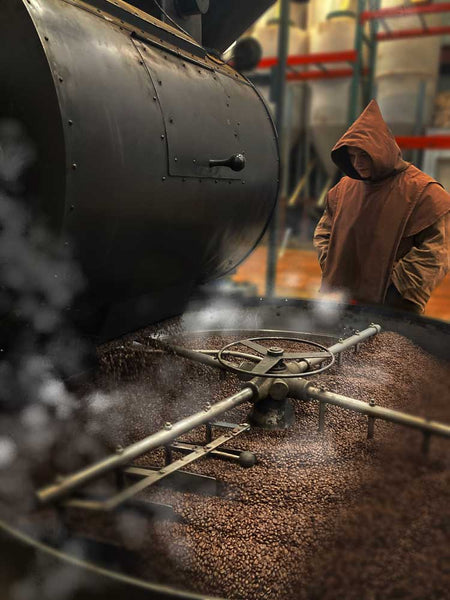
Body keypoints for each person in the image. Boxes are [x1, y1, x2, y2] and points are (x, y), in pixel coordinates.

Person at [313, 99, 450, 313]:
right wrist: (333, 264)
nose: (357, 163)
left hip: (394, 307)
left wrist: (397, 284)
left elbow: (437, 251)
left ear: (381, 150)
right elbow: (324, 232)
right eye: (352, 156)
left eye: (364, 155)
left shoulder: (425, 192)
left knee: (388, 346)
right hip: (339, 302)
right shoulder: (344, 189)